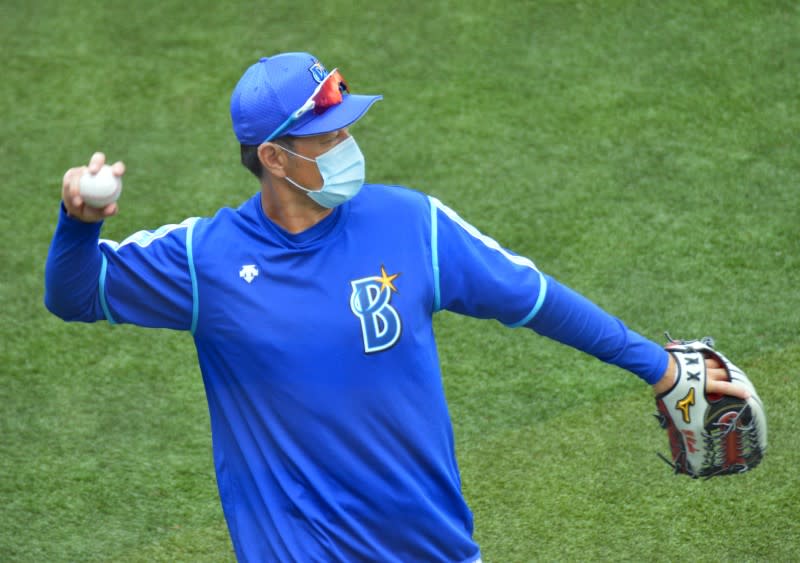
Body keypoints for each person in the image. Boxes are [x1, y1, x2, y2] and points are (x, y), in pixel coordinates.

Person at [45, 52, 748, 562]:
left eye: (350, 127)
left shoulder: (413, 225)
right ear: (276, 159)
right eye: (331, 135)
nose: (350, 144)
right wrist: (79, 220)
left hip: (430, 546)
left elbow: (534, 298)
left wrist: (658, 366)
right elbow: (75, 295)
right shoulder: (205, 259)